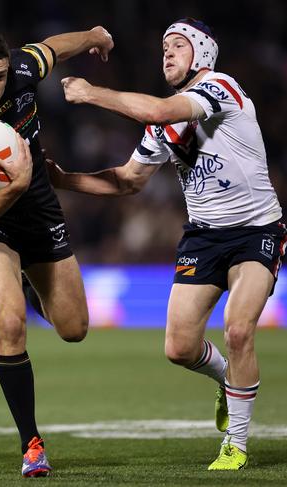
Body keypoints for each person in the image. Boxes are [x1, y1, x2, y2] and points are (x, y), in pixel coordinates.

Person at [52, 18, 285, 470]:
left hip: (257, 231)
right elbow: (126, 181)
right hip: (203, 235)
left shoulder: (222, 88)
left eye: (177, 46)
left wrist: (91, 92)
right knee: (178, 347)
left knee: (238, 330)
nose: (167, 54)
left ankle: (235, 444)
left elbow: (158, 111)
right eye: (163, 49)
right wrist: (64, 180)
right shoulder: (164, 126)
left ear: (202, 54)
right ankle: (225, 379)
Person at [0, 26, 114, 477]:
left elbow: (54, 47)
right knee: (10, 322)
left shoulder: (22, 70)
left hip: (39, 212)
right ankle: (31, 443)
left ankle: (28, 285)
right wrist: (15, 188)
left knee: (74, 329)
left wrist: (94, 34)